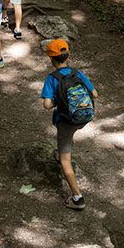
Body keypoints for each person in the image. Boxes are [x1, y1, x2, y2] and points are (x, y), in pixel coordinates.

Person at [40, 39, 96, 210]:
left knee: (66, 160)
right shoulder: (77, 73)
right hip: (85, 117)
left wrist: (60, 100)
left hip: (66, 121)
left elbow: (47, 105)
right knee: (68, 135)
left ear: (51, 58)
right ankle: (62, 148)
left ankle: (77, 198)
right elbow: (95, 93)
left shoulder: (52, 79)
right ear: (68, 55)